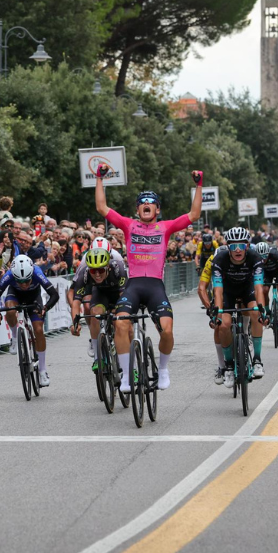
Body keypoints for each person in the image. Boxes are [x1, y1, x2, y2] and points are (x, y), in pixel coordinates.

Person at [95, 164, 203, 391]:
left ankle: (163, 370)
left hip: (155, 286)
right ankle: (126, 376)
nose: (146, 204)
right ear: (137, 210)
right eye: (142, 202)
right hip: (134, 284)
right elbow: (102, 207)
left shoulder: (165, 227)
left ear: (157, 210)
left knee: (167, 330)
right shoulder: (128, 225)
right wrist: (99, 179)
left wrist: (198, 186)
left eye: (150, 202)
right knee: (120, 323)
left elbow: (194, 215)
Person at [211, 227, 268, 388]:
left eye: (241, 246)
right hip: (227, 292)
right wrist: (217, 313)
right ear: (227, 247)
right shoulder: (220, 259)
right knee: (224, 325)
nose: (237, 249)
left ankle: (257, 360)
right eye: (233, 245)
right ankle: (228, 366)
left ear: (247, 246)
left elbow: (258, 288)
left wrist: (262, 309)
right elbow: (218, 291)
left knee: (256, 313)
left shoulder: (255, 258)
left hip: (247, 289)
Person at [0, 255, 59, 387]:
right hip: (15, 295)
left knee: (38, 330)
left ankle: (43, 370)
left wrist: (45, 308)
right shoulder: (9, 275)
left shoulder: (37, 272)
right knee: (10, 310)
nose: (24, 285)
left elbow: (54, 294)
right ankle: (15, 337)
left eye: (27, 281)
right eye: (20, 282)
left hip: (34, 297)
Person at [70, 248, 128, 373]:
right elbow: (76, 303)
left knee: (120, 319)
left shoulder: (118, 268)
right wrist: (75, 323)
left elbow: (124, 295)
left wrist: (117, 310)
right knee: (95, 314)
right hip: (101, 294)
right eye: (93, 270)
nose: (97, 274)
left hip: (118, 293)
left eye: (101, 270)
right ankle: (98, 357)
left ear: (108, 266)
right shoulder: (84, 274)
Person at [197, 244, 229, 381]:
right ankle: (222, 366)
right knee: (218, 325)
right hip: (218, 292)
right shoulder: (211, 260)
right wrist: (209, 307)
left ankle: (245, 332)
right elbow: (201, 288)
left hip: (236, 288)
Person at [255, 242, 278, 330]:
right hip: (266, 273)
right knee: (264, 290)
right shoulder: (255, 258)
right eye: (260, 257)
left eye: (265, 257)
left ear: (268, 254)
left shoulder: (274, 254)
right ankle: (268, 312)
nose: (263, 260)